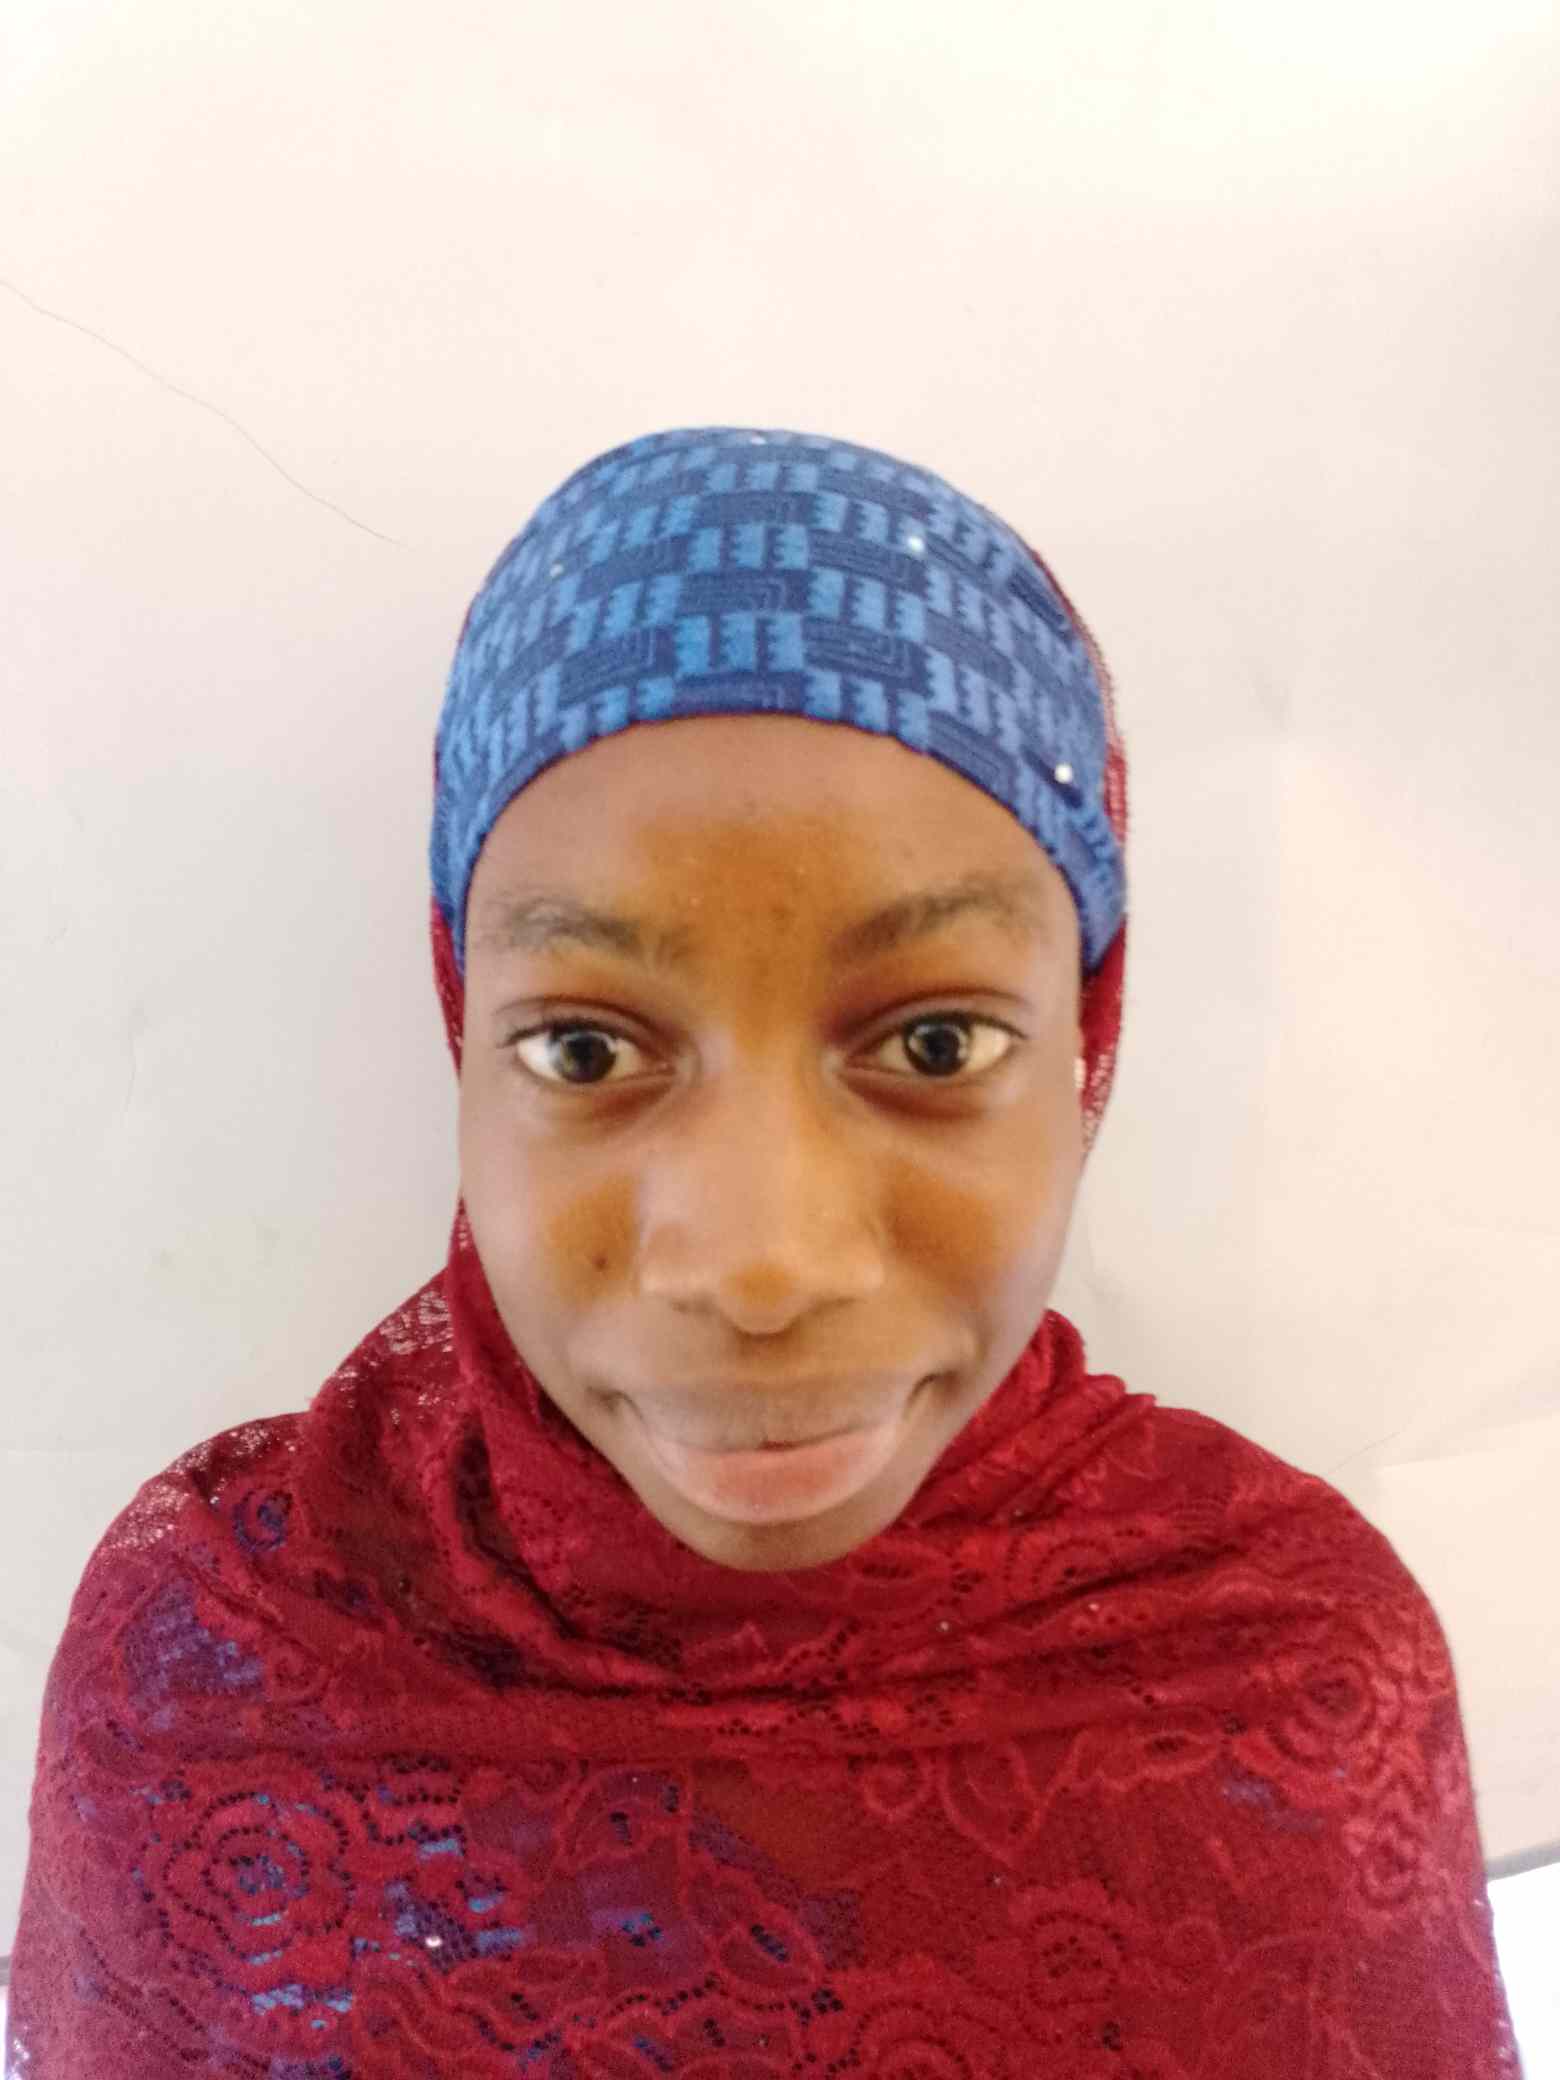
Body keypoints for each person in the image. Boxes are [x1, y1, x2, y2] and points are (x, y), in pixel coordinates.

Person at [5, 426, 1521, 2076]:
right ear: (461, 1029)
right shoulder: (206, 1671)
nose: (761, 1265)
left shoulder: (1290, 1681)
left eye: (934, 1044)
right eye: (586, 1050)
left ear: (1084, 1040)